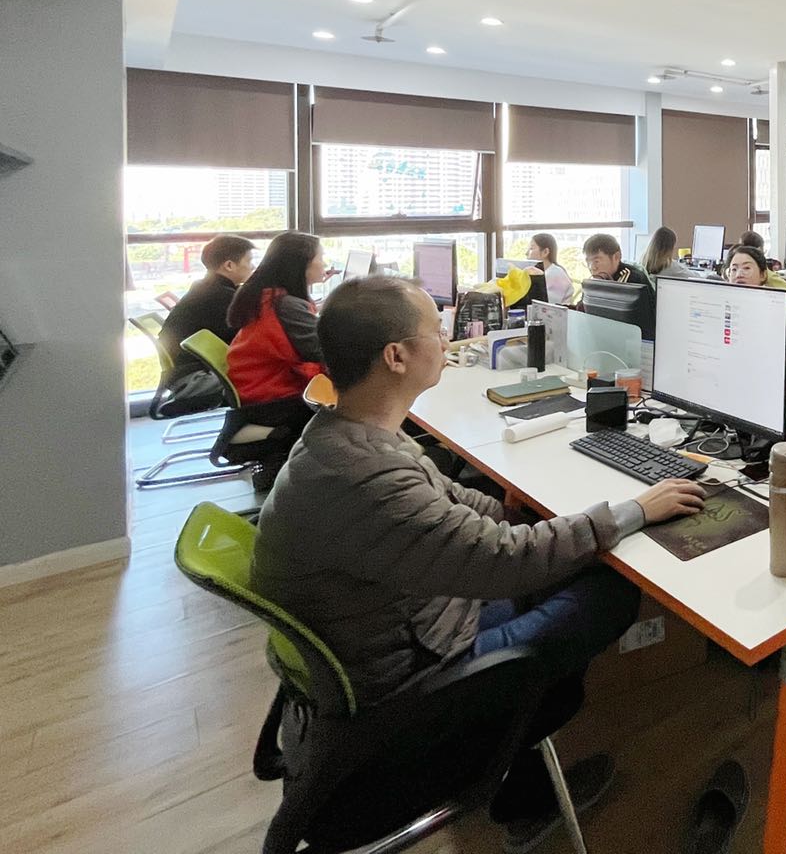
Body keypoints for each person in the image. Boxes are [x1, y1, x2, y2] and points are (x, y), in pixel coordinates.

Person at [251, 275, 705, 850]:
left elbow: (451, 499)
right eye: (434, 332)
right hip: (412, 685)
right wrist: (632, 510)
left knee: (571, 558)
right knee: (609, 592)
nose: (446, 340)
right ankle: (518, 761)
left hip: (395, 635)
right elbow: (508, 562)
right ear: (396, 357)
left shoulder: (344, 433)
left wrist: (528, 515)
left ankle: (522, 750)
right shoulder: (367, 479)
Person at [226, 232, 329, 460]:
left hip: (256, 390)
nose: (325, 264)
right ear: (302, 264)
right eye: (321, 257)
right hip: (272, 400)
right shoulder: (285, 305)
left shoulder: (268, 296)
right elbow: (323, 351)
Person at [159, 234, 255, 365]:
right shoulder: (222, 297)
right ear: (229, 265)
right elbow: (250, 337)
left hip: (183, 366)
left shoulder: (204, 287)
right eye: (249, 261)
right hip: (198, 372)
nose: (252, 267)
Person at [724, 245, 786, 364]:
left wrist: (778, 367)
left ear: (763, 275)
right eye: (734, 269)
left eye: (746, 268)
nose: (739, 274)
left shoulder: (778, 305)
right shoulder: (724, 304)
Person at [524, 233, 572, 306]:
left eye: (531, 248)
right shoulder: (542, 273)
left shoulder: (556, 274)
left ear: (545, 252)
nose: (526, 253)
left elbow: (546, 306)